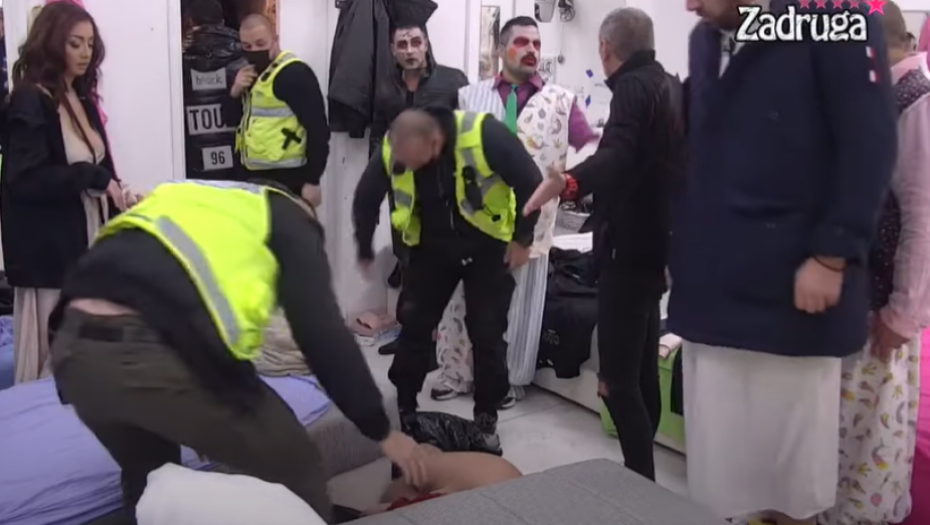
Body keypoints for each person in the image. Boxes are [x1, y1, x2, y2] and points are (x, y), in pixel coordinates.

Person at [48, 179, 427, 524]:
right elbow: (323, 336)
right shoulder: (289, 218)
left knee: (150, 478)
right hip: (149, 348)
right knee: (295, 462)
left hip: (72, 351)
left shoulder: (186, 197)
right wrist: (382, 430)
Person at [670, 0, 896, 524]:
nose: (689, 6)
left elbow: (870, 143)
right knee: (718, 476)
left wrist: (832, 254)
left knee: (788, 482)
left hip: (794, 293)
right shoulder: (706, 39)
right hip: (711, 294)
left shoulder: (833, 20)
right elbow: (702, 159)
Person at [523, 8, 682, 482]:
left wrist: (567, 183)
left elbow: (617, 155)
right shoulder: (670, 85)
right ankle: (645, 482)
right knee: (643, 372)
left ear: (605, 48)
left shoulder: (632, 88)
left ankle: (638, 485)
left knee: (616, 382)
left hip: (627, 251)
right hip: (657, 248)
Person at [432, 16, 598, 407]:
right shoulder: (469, 97)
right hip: (473, 222)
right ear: (500, 50)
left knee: (518, 308)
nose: (531, 50)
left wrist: (568, 181)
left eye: (537, 44)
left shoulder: (562, 101)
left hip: (531, 226)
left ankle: (505, 382)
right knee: (460, 301)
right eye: (521, 42)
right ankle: (456, 373)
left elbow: (593, 150)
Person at [353, 108, 542, 447]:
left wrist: (522, 238)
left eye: (415, 162)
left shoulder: (485, 136)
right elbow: (366, 196)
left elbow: (531, 182)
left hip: (487, 248)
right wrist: (364, 247)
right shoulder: (395, 146)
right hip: (431, 249)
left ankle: (486, 417)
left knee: (487, 334)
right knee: (414, 327)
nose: (409, 169)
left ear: (435, 142)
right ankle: (403, 409)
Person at [820, 2, 929, 524]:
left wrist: (903, 314)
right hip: (851, 302)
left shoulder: (916, 102)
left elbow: (923, 219)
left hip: (879, 309)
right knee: (840, 443)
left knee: (864, 450)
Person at [0, 2, 131, 385]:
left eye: (90, 43)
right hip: (51, 251)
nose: (85, 52)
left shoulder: (80, 96)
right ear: (53, 42)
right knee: (57, 362)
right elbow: (25, 180)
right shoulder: (30, 100)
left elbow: (98, 167)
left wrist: (118, 192)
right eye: (75, 43)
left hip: (85, 241)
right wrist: (91, 177)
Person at [370, 20, 468, 360]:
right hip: (402, 194)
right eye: (402, 44)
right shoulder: (386, 88)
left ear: (426, 43)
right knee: (407, 263)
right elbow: (379, 136)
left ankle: (438, 343)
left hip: (442, 192)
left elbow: (468, 131)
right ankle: (411, 339)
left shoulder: (452, 81)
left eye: (415, 42)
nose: (410, 50)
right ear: (393, 50)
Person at [222, 14, 329, 206]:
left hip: (288, 180)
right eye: (247, 46)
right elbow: (230, 121)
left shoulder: (295, 74)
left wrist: (313, 181)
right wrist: (235, 91)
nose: (254, 51)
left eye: (260, 43)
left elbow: (318, 130)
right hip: (251, 179)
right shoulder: (248, 74)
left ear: (275, 40)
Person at [182, 0, 244, 181]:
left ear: (190, 21)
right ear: (222, 21)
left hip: (193, 159)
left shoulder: (176, 58)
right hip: (237, 157)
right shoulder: (245, 55)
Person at [363, 444, 522, 514]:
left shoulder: (425, 474)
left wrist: (386, 508)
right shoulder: (445, 467)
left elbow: (380, 512)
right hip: (518, 492)